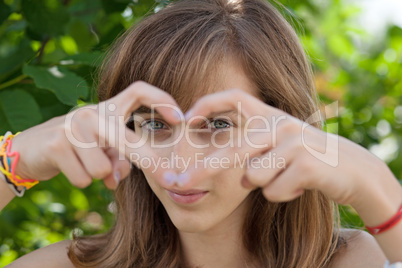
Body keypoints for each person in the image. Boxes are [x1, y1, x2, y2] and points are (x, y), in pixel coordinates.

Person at [1, 0, 401, 267]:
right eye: (155, 124)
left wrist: (378, 190)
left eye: (219, 125)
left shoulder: (354, 260)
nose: (181, 163)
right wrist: (12, 162)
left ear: (287, 127)